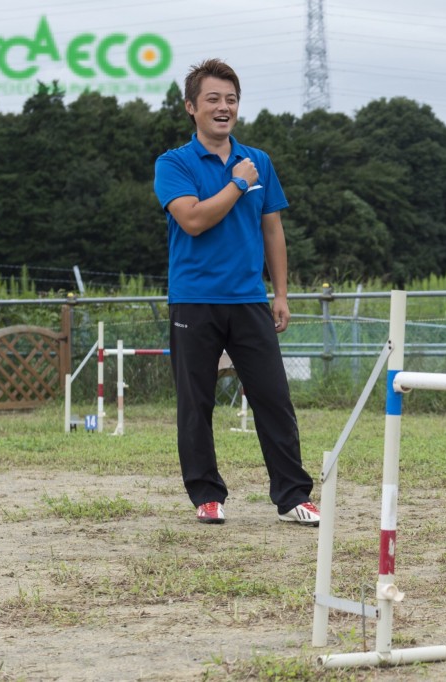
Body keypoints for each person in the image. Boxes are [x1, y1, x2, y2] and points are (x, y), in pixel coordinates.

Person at [153, 58, 319, 527]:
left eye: (231, 100)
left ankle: (293, 497)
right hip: (194, 299)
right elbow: (194, 219)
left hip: (249, 299)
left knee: (273, 398)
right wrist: (237, 183)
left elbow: (273, 230)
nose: (223, 108)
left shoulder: (259, 160)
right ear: (191, 107)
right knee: (196, 402)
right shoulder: (174, 163)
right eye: (213, 99)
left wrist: (280, 293)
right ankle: (207, 496)